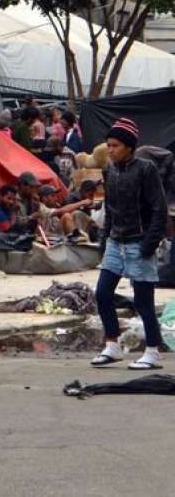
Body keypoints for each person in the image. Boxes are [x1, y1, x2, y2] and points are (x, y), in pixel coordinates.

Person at [91, 118, 168, 370]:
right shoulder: (110, 170)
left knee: (143, 301)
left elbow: (159, 210)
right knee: (102, 294)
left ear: (129, 147)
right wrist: (104, 239)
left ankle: (153, 351)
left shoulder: (146, 169)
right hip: (116, 241)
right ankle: (112, 346)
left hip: (139, 242)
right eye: (108, 145)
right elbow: (110, 209)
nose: (110, 150)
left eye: (114, 145)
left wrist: (149, 243)